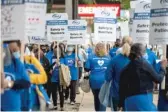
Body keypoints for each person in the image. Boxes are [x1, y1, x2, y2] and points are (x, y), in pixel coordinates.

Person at [119, 43, 167, 111]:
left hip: (128, 100)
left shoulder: (125, 68)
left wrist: (121, 104)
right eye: (145, 52)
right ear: (140, 53)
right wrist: (162, 68)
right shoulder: (144, 64)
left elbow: (121, 88)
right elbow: (158, 79)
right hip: (143, 98)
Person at [1, 41, 30, 111]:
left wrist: (9, 83)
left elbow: (26, 83)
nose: (11, 53)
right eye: (8, 50)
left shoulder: (17, 64)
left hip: (12, 107)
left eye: (14, 50)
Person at [105, 38, 131, 111]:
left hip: (116, 91)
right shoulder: (134, 60)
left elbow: (108, 77)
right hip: (130, 93)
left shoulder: (114, 59)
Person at [85, 42, 111, 111]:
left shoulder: (91, 57)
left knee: (96, 98)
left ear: (96, 49)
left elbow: (86, 68)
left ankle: (97, 110)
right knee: (103, 99)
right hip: (104, 81)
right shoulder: (108, 58)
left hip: (94, 81)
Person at [49, 44, 65, 111]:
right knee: (54, 93)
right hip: (53, 78)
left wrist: (61, 65)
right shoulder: (52, 58)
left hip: (61, 79)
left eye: (58, 51)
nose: (56, 52)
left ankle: (62, 106)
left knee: (61, 93)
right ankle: (55, 105)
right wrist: (51, 68)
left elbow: (66, 68)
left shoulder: (63, 58)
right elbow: (50, 67)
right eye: (55, 51)